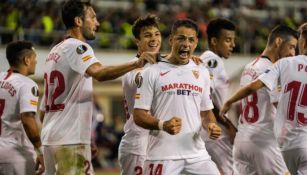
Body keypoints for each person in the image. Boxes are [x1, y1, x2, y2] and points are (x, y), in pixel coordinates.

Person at [39, 1, 156, 174]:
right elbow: (100, 73)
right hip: (70, 140)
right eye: (93, 17)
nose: (97, 23)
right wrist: (137, 62)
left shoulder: (54, 52)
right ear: (79, 21)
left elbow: (42, 112)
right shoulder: (78, 47)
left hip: (50, 138)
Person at [133, 19, 222, 175]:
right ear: (171, 40)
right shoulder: (151, 71)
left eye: (191, 40)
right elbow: (139, 116)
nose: (186, 43)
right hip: (161, 155)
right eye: (181, 38)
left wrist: (211, 126)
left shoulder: (202, 72)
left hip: (197, 155)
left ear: (196, 44)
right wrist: (162, 125)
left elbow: (207, 113)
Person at [220, 23, 307, 175]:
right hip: (265, 143)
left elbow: (249, 92)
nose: (293, 53)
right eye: (292, 47)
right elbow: (281, 105)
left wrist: (228, 101)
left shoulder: (249, 66)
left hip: (242, 141)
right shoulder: (273, 69)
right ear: (279, 42)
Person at [118, 14, 162, 175]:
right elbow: (138, 77)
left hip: (157, 144)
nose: (154, 39)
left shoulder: (160, 66)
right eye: (147, 35)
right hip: (137, 144)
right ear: (137, 41)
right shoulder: (132, 67)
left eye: (157, 34)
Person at [0, 41, 44, 175]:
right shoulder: (27, 84)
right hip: (16, 154)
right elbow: (27, 120)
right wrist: (40, 150)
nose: (36, 61)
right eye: (34, 57)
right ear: (26, 60)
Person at [199, 18, 236, 175]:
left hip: (210, 131)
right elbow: (205, 97)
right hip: (216, 132)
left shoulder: (212, 60)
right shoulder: (212, 60)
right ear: (214, 41)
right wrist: (228, 125)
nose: (233, 45)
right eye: (228, 40)